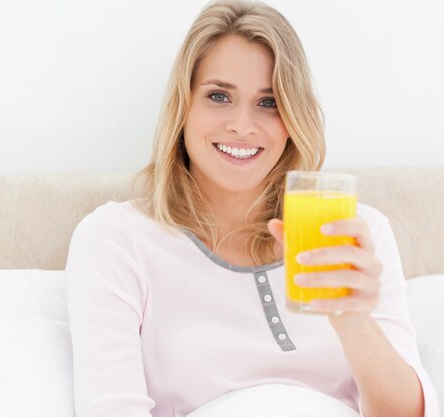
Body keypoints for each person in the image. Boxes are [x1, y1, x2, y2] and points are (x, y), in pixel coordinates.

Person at [65, 1, 439, 416]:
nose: (242, 125)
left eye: (269, 102)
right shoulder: (119, 239)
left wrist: (352, 319)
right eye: (219, 96)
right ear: (183, 106)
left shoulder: (354, 232)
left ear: (294, 118)